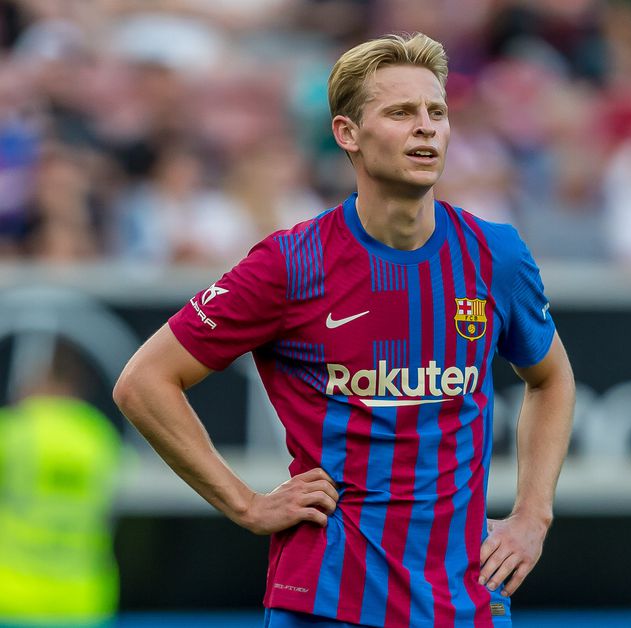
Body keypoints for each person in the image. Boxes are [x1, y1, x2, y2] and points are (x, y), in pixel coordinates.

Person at [113, 33, 575, 627]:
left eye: (436, 112)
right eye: (400, 112)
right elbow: (144, 382)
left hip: (465, 603)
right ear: (347, 133)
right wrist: (246, 505)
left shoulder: (496, 255)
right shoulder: (290, 264)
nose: (426, 127)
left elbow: (551, 378)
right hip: (328, 603)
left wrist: (534, 515)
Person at [0, 342, 122, 628]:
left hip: (13, 595)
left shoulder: (16, 430)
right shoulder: (99, 435)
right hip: (84, 599)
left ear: (41, 378)